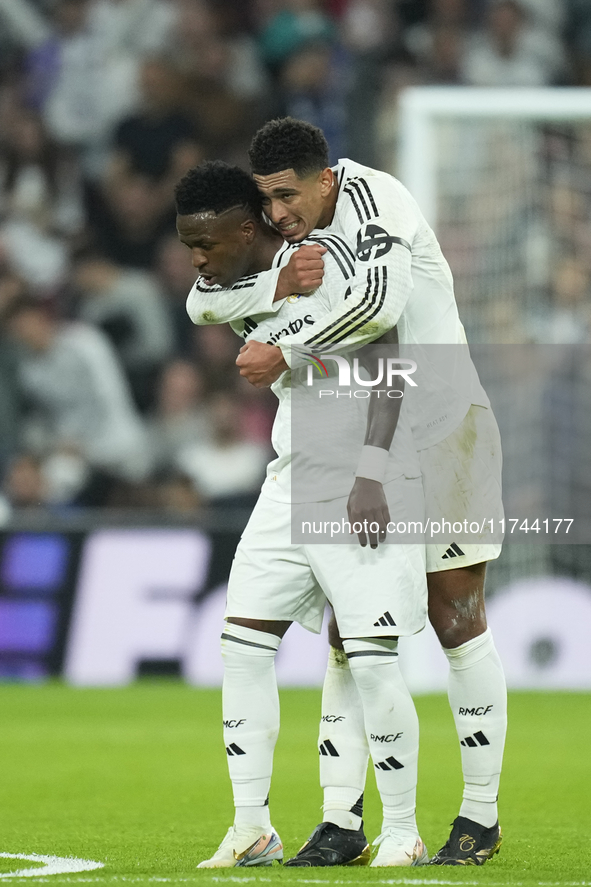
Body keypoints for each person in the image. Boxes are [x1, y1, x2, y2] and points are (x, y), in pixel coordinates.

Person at [186, 118, 506, 868]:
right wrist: (271, 291)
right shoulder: (298, 246)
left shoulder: (378, 203)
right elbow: (208, 301)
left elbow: (381, 310)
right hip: (354, 438)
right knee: (347, 633)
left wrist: (287, 344)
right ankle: (340, 818)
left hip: (443, 425)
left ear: (324, 179)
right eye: (266, 200)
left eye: (288, 195)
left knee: (454, 616)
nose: (278, 213)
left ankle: (479, 815)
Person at [175, 161, 429, 868]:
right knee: (242, 641)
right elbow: (200, 304)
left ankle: (402, 828)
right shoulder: (234, 288)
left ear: (247, 230)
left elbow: (389, 361)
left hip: (361, 473)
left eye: (206, 244)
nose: (196, 260)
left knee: (373, 657)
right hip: (288, 476)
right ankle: (252, 826)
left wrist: (371, 471)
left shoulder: (331, 263)